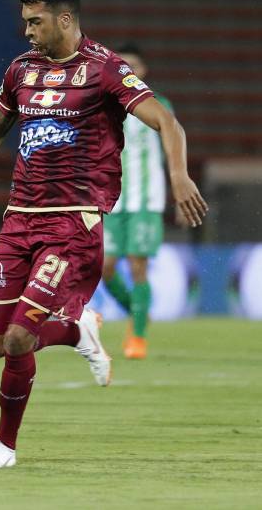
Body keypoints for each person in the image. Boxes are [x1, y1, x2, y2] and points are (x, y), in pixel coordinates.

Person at [0, 0, 207, 468]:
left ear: (65, 19)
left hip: (72, 226)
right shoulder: (21, 69)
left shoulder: (104, 69)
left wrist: (178, 176)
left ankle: (3, 446)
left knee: (17, 338)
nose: (27, 31)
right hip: (18, 222)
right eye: (24, 21)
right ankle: (78, 332)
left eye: (35, 22)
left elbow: (166, 120)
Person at [102, 43, 172, 360]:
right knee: (103, 269)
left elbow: (173, 146)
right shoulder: (103, 106)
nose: (128, 70)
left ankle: (138, 338)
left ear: (142, 71)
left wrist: (181, 186)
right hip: (113, 201)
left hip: (145, 200)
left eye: (133, 65)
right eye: (122, 65)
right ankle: (138, 311)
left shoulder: (158, 105)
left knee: (137, 265)